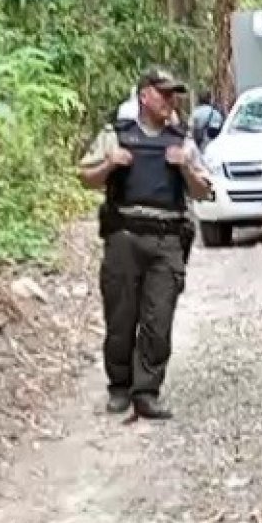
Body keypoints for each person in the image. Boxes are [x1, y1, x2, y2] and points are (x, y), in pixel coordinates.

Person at [77, 65, 213, 420]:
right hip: (124, 236)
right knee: (121, 319)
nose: (170, 101)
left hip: (167, 239)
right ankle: (119, 387)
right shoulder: (117, 135)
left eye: (173, 95)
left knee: (159, 320)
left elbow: (204, 191)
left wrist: (185, 168)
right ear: (144, 96)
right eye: (163, 93)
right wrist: (109, 165)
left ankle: (147, 391)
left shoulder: (181, 139)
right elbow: (85, 179)